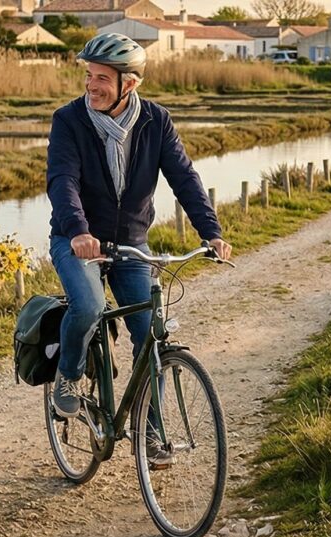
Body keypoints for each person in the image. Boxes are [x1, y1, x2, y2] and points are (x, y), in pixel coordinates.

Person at [47, 34, 232, 437]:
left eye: (102, 79)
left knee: (151, 334)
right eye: (89, 75)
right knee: (89, 306)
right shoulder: (69, 120)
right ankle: (68, 372)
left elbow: (184, 177)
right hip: (76, 240)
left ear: (128, 85)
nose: (91, 85)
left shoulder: (155, 120)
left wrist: (211, 233)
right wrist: (78, 231)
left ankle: (151, 434)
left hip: (131, 241)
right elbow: (63, 182)